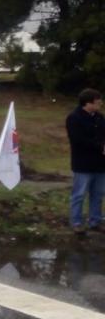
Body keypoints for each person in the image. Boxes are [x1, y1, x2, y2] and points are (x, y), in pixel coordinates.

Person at [65, 88, 105, 236]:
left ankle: (95, 221)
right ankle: (76, 222)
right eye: (98, 101)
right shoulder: (74, 118)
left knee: (98, 194)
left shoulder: (100, 117)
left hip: (100, 164)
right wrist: (100, 146)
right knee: (79, 194)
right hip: (83, 164)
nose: (100, 103)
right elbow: (77, 140)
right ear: (88, 103)